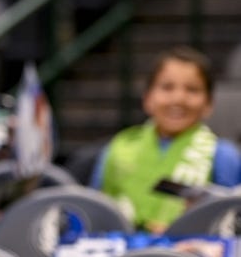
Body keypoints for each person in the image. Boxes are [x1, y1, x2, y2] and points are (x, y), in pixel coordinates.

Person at [92, 46, 241, 234]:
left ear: (209, 104)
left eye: (192, 90)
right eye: (167, 87)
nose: (178, 99)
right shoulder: (116, 149)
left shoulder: (223, 155)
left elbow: (232, 224)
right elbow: (95, 215)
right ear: (147, 99)